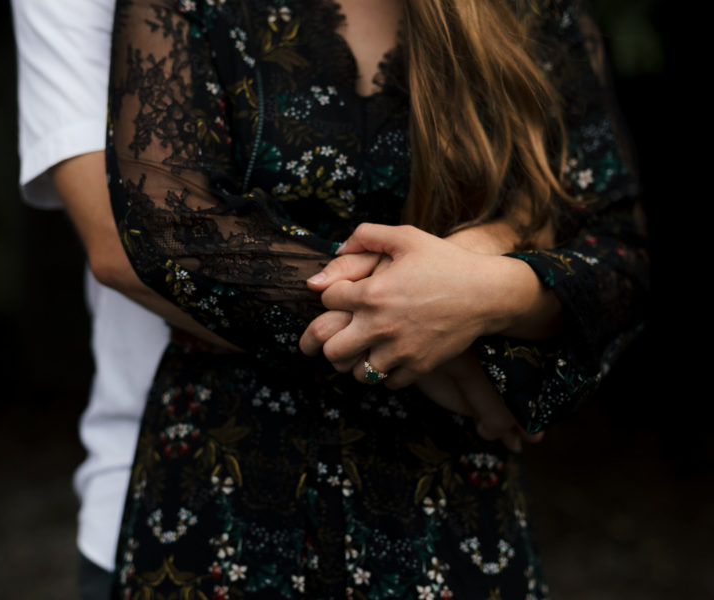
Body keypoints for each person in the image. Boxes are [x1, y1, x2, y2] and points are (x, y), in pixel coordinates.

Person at [102, 0, 648, 598]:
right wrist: (428, 337)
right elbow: (170, 223)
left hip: (447, 514)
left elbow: (616, 251)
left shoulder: (536, 11)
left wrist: (485, 294)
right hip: (227, 498)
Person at [11, 1, 171, 597]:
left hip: (451, 483)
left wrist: (483, 289)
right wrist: (408, 330)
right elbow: (120, 241)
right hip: (163, 488)